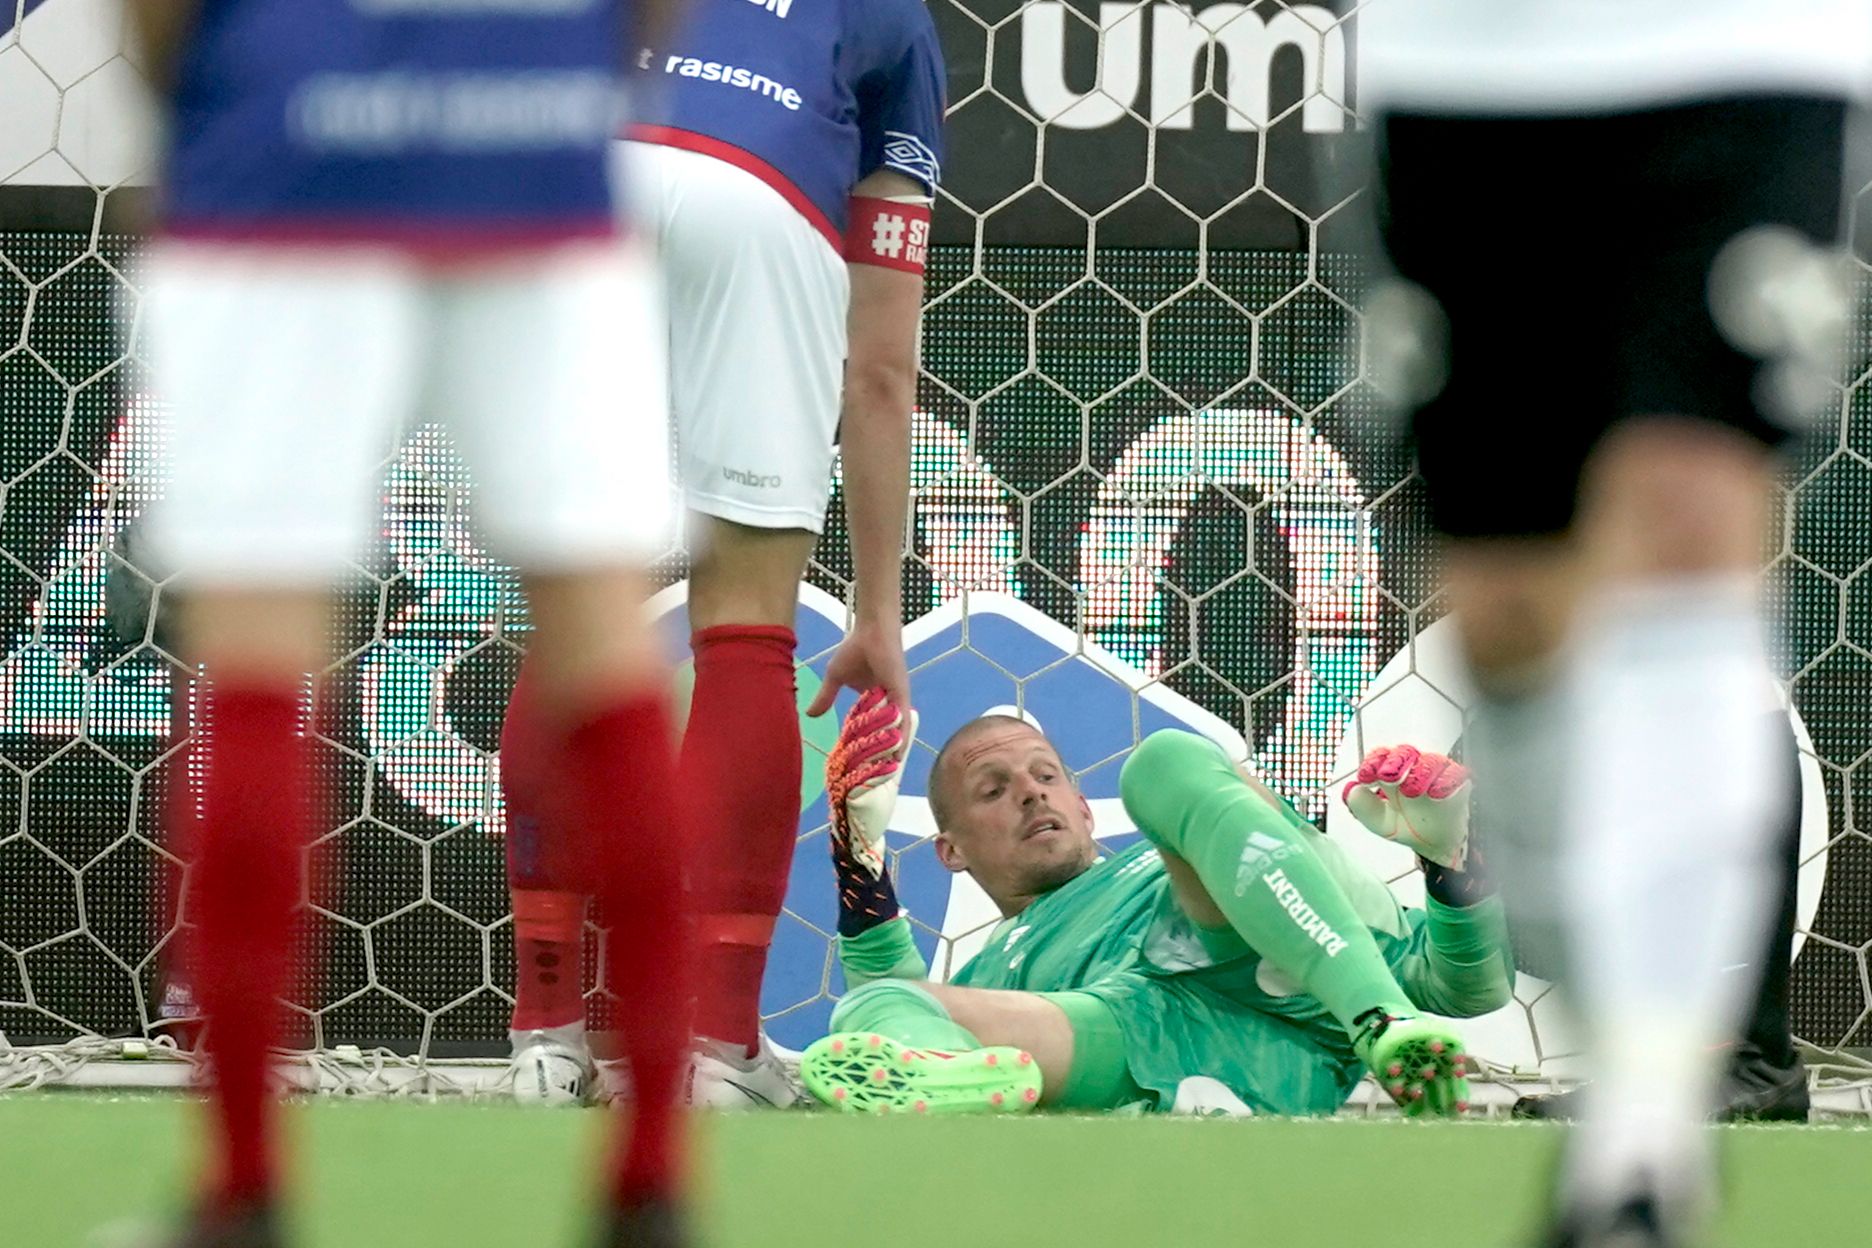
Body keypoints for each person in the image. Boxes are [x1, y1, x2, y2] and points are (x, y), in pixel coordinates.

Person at [125, 2, 691, 1244]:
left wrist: (220, 93)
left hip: (282, 135)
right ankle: (652, 1184)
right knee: (605, 641)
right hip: (533, 133)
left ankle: (241, 1189)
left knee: (257, 649)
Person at [1357, 4, 1868, 1243]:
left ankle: (1642, 1146)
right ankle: (1621, 1043)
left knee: (1690, 520)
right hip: (1465, 66)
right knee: (1512, 611)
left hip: (1746, 52)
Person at [498, 0, 946, 1110]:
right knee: (745, 626)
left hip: (581, 180)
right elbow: (880, 370)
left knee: (578, 602)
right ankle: (718, 1048)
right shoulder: (894, 20)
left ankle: (545, 1037)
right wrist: (877, 609)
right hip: (760, 197)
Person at [798, 694, 1514, 1117]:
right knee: (876, 1005)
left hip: (1240, 934)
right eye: (993, 789)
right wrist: (857, 856)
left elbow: (1462, 987)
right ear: (949, 850)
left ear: (1084, 809)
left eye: (1046, 775)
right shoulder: (989, 971)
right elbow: (889, 989)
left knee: (1164, 763)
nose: (1031, 792)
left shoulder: (1201, 855)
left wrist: (1451, 881)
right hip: (1147, 1025)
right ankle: (950, 1085)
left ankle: (1382, 1015)